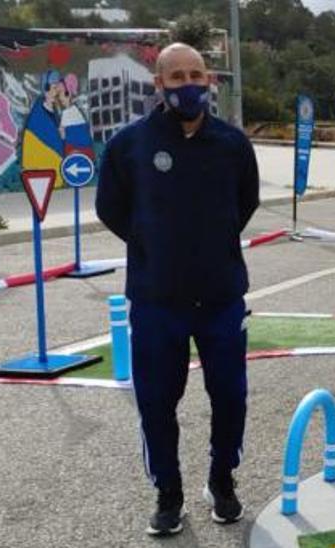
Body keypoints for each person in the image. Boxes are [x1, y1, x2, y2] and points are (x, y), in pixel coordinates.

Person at [97, 42, 260, 537]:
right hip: (156, 301)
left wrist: (210, 245)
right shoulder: (129, 146)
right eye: (177, 77)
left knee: (230, 397)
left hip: (220, 299)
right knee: (156, 403)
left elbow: (244, 205)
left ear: (210, 81)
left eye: (197, 75)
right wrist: (153, 244)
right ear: (159, 85)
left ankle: (222, 481)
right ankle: (168, 495)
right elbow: (111, 209)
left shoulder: (233, 145)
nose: (189, 85)